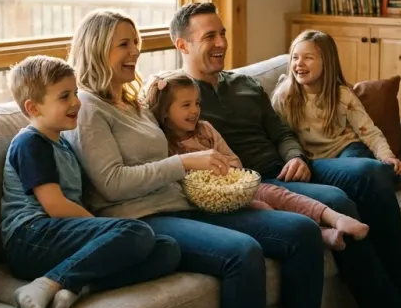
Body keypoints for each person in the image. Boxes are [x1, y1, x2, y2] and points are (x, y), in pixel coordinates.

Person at [64, 9, 326, 308]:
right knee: (242, 252)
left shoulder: (133, 101)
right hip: (141, 217)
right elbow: (111, 183)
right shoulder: (87, 106)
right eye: (123, 45)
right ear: (96, 49)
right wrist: (184, 163)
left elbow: (174, 119)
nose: (135, 52)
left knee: (301, 231)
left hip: (183, 202)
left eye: (136, 42)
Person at [171, 2, 401, 308]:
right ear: (182, 45)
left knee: (372, 174)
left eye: (223, 34)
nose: (221, 43)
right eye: (209, 36)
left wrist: (295, 156)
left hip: (292, 167)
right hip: (253, 184)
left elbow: (282, 131)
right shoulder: (177, 98)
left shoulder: (245, 84)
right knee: (336, 200)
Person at [0, 55, 181, 308]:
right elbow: (55, 205)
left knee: (167, 249)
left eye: (74, 92)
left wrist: (105, 234)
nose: (76, 102)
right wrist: (103, 230)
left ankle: (79, 285)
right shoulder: (31, 143)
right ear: (33, 108)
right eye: (64, 97)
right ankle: (47, 283)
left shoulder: (62, 144)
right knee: (136, 231)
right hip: (29, 238)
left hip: (56, 235)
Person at [146, 69, 370, 251]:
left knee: (276, 194)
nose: (195, 110)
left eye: (197, 103)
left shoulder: (205, 129)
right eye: (186, 105)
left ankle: (335, 218)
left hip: (234, 187)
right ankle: (322, 233)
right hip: (207, 202)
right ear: (165, 112)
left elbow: (234, 161)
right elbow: (173, 180)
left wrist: (228, 174)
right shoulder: (163, 142)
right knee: (262, 206)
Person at [271, 29, 401, 179]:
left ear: (326, 63)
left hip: (348, 149)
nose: (299, 63)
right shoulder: (284, 97)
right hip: (313, 160)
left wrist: (387, 156)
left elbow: (369, 132)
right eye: (295, 57)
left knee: (360, 171)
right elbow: (278, 135)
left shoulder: (342, 95)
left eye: (308, 58)